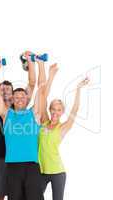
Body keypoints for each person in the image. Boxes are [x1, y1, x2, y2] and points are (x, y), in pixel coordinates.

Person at [0, 47, 37, 200]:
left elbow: (31, 84)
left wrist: (31, 63)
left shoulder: (20, 108)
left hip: (21, 159)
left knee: (19, 195)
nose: (4, 93)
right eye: (1, 90)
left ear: (14, 93)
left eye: (8, 90)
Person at [0, 56, 46, 200]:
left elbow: (41, 88)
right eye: (17, 97)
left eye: (23, 97)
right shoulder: (6, 114)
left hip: (32, 166)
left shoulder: (33, 113)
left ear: (26, 99)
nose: (20, 99)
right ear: (13, 100)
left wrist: (40, 64)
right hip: (13, 166)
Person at [38, 64, 89, 200]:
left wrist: (78, 89)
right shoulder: (43, 122)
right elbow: (42, 97)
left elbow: (75, 109)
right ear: (50, 109)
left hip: (58, 172)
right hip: (41, 171)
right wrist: (51, 76)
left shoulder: (63, 127)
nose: (55, 112)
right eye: (53, 109)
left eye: (59, 110)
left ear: (62, 112)